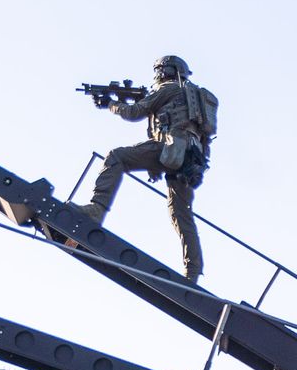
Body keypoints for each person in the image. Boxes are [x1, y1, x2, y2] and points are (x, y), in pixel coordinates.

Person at [77, 55, 218, 281]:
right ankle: (192, 271)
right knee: (181, 214)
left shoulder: (169, 89)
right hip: (190, 159)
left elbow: (134, 113)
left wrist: (111, 104)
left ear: (165, 71)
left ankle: (96, 209)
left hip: (170, 148)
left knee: (117, 157)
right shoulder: (190, 98)